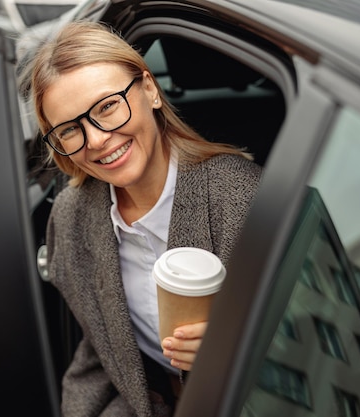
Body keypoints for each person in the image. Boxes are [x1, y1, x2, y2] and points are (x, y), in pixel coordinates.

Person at [28, 20, 262, 417]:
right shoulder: (72, 220)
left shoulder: (242, 197)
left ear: (150, 90)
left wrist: (241, 350)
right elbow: (102, 347)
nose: (98, 139)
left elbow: (316, 332)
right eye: (70, 129)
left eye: (107, 107)